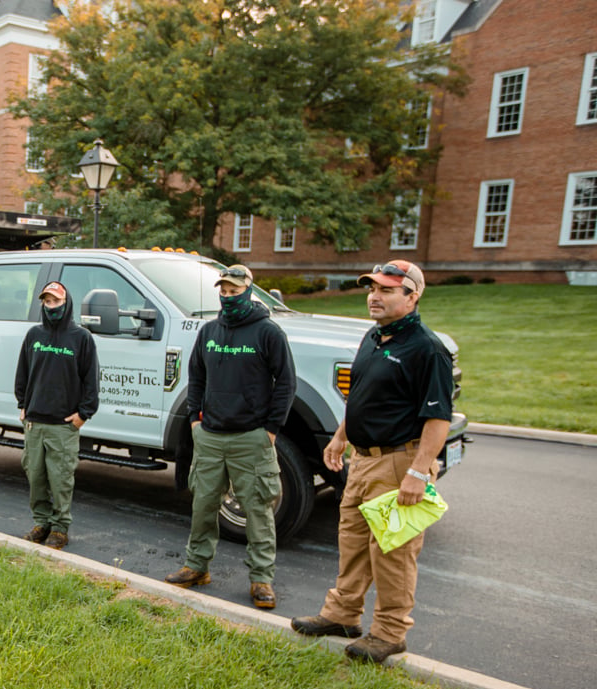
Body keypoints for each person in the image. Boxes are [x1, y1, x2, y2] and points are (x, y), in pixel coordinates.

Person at [291, 260, 453, 663]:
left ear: (412, 296)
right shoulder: (374, 337)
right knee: (354, 542)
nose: (374, 296)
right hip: (363, 461)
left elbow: (438, 419)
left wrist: (418, 472)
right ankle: (342, 615)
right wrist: (341, 436)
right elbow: (361, 395)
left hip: (400, 463)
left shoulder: (427, 349)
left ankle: (389, 633)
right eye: (371, 289)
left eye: (385, 290)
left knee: (392, 553)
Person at [166, 265, 295, 609]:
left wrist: (270, 430)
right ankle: (197, 566)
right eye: (222, 290)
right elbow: (196, 378)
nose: (227, 296)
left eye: (233, 291)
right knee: (203, 505)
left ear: (248, 291)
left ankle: (261, 580)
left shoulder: (268, 333)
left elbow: (285, 383)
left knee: (258, 511)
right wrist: (195, 421)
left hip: (251, 439)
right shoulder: (209, 331)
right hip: (210, 437)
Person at [14, 281, 100, 550]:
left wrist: (83, 415)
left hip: (63, 425)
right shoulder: (33, 336)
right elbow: (23, 372)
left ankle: (60, 529)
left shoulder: (81, 338)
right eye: (47, 302)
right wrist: (22, 404)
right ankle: (42, 522)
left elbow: (91, 381)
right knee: (36, 477)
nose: (52, 306)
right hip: (35, 423)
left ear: (66, 303)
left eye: (56, 302)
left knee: (60, 479)